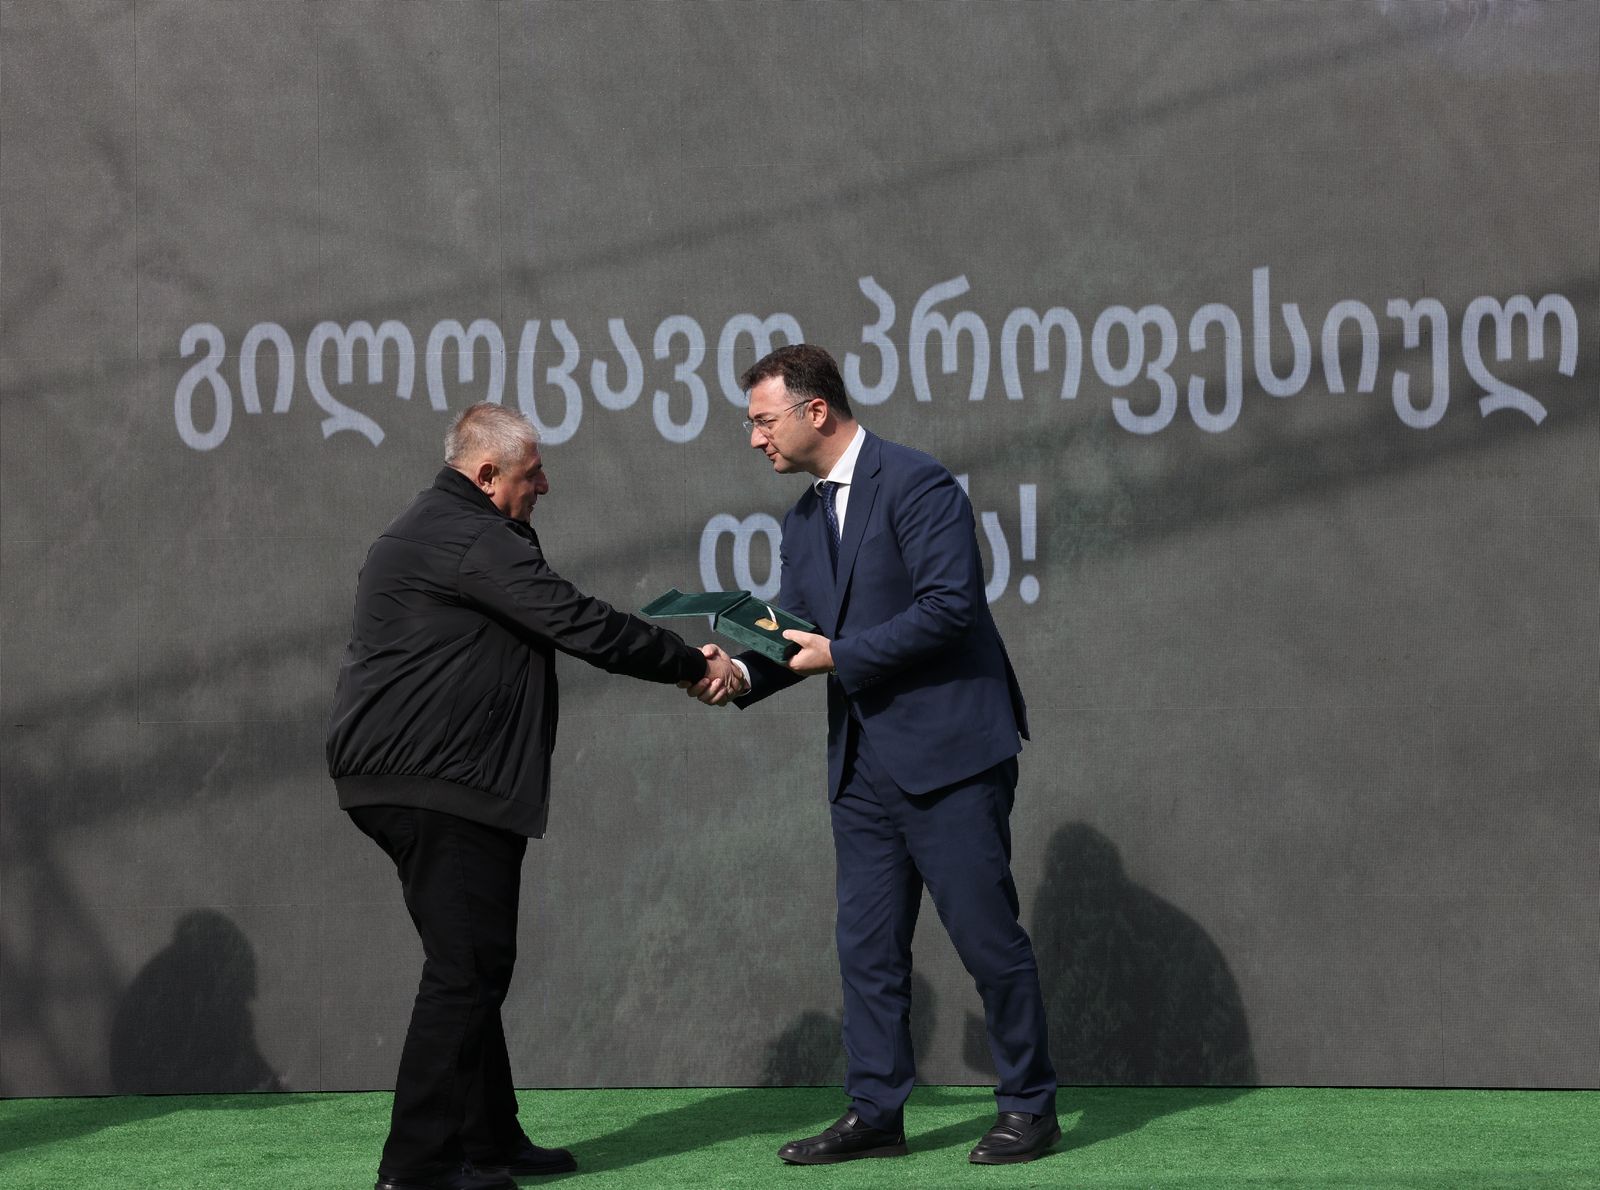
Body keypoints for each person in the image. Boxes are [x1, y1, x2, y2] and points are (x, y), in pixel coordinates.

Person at [327, 402, 738, 1190]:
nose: (544, 485)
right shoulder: (472, 536)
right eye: (532, 473)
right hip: (443, 783)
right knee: (465, 970)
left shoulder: (440, 527)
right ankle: (416, 1168)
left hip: (418, 778)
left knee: (469, 963)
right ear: (487, 475)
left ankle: (488, 1140)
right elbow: (577, 622)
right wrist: (691, 663)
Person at [687, 344, 1059, 1165]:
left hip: (951, 757)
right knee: (867, 949)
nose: (754, 438)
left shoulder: (918, 484)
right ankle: (876, 1113)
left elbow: (949, 609)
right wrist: (738, 672)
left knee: (986, 938)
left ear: (815, 410)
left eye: (762, 421)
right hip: (861, 766)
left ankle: (1030, 1106)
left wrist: (841, 655)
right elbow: (797, 634)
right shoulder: (803, 519)